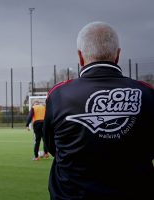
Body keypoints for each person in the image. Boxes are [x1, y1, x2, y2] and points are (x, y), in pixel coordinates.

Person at [44, 21, 154, 200]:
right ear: (118, 55)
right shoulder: (148, 93)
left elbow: (53, 147)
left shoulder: (59, 95)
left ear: (80, 57)